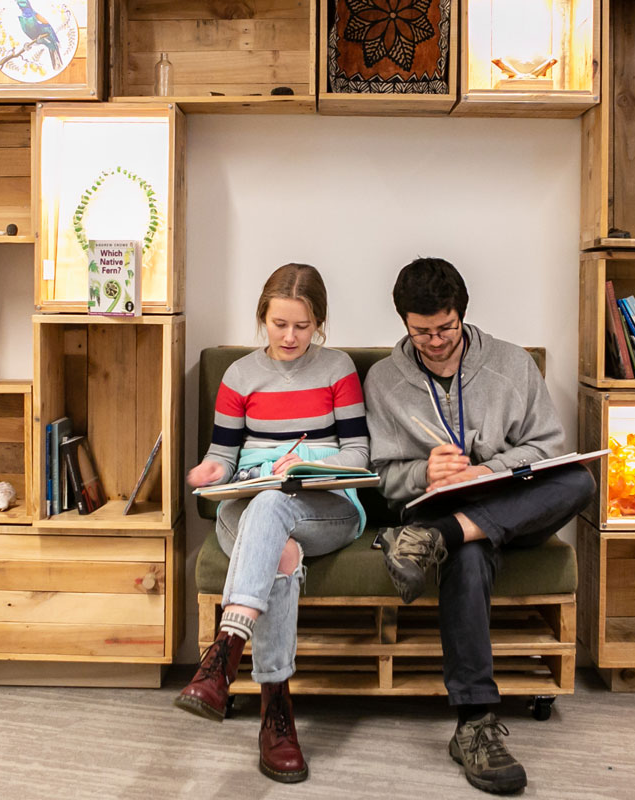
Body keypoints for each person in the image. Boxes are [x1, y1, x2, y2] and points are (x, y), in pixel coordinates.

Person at [363, 257, 596, 795]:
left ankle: (436, 542)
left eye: (444, 328)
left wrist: (486, 470)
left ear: (462, 316)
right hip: (432, 508)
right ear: (403, 321)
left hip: (509, 503)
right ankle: (474, 724)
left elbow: (547, 447)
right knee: (466, 555)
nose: (435, 341)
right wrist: (425, 471)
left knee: (580, 482)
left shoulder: (513, 364)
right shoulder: (383, 379)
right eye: (420, 331)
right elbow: (378, 475)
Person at [176, 263, 370, 784]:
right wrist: (209, 472)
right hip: (252, 504)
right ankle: (275, 715)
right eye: (279, 324)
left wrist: (313, 466)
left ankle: (224, 656)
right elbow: (223, 454)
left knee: (275, 505)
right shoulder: (239, 375)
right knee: (275, 537)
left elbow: (357, 453)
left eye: (302, 326)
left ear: (320, 323)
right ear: (262, 317)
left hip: (324, 504)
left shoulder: (338, 369)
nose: (289, 337)